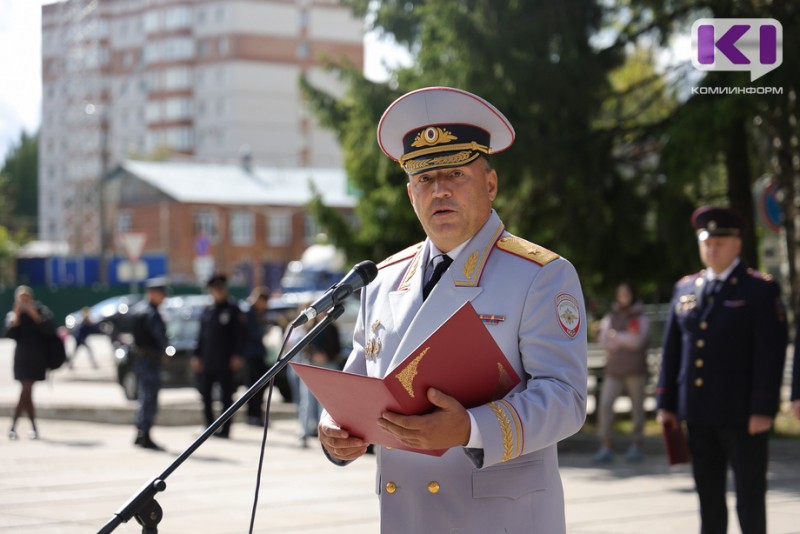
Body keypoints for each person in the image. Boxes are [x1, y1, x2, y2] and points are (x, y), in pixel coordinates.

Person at [317, 86, 588, 533]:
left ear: (490, 183)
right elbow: (360, 378)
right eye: (424, 179)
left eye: (454, 174)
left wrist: (469, 429)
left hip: (498, 516)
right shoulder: (381, 279)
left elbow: (566, 399)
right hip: (406, 516)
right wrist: (335, 427)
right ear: (411, 195)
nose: (439, 190)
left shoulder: (541, 275)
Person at [656, 206, 787, 534]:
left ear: (737, 245)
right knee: (709, 498)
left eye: (720, 242)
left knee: (749, 498)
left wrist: (763, 408)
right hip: (698, 412)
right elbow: (672, 350)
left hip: (743, 414)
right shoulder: (685, 289)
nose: (711, 249)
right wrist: (666, 403)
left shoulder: (759, 289)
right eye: (706, 242)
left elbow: (770, 354)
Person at [593, 282, 650, 464]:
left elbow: (637, 341)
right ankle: (606, 444)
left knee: (637, 408)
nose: (623, 297)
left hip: (635, 369)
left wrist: (615, 336)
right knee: (606, 405)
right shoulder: (611, 316)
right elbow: (603, 339)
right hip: (614, 369)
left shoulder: (640, 316)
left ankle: (637, 443)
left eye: (626, 293)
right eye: (620, 294)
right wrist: (622, 338)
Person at [192, 273, 244, 439]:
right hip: (208, 360)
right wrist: (197, 355)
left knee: (226, 396)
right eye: (215, 290)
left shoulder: (233, 309)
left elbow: (240, 336)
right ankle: (209, 426)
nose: (218, 292)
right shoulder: (208, 310)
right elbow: (201, 336)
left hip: (225, 361)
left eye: (221, 289)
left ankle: (226, 429)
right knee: (205, 394)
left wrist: (237, 355)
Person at [4, 285, 56, 440]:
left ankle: (13, 426)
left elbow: (50, 331)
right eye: (21, 299)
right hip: (21, 359)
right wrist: (16, 318)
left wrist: (36, 317)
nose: (24, 302)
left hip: (37, 359)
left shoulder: (41, 311)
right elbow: (8, 334)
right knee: (27, 394)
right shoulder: (14, 315)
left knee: (26, 390)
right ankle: (33, 428)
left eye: (26, 299)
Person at [131, 277, 169, 450]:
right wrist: (164, 350)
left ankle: (140, 432)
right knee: (149, 398)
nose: (164, 298)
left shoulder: (139, 310)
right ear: (153, 294)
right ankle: (145, 434)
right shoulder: (151, 313)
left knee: (143, 396)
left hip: (141, 359)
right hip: (150, 360)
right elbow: (159, 336)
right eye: (161, 294)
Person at [296, 310, 340, 448]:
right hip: (312, 367)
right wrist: (313, 355)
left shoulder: (333, 328)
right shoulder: (311, 327)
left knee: (326, 403)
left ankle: (326, 433)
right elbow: (305, 348)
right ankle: (304, 432)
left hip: (328, 366)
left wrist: (326, 356)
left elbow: (337, 349)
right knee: (307, 401)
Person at [242, 286, 271, 426]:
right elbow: (252, 333)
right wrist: (264, 329)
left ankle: (257, 415)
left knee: (260, 387)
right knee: (253, 387)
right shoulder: (249, 312)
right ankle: (253, 416)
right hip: (251, 355)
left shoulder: (258, 313)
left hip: (258, 354)